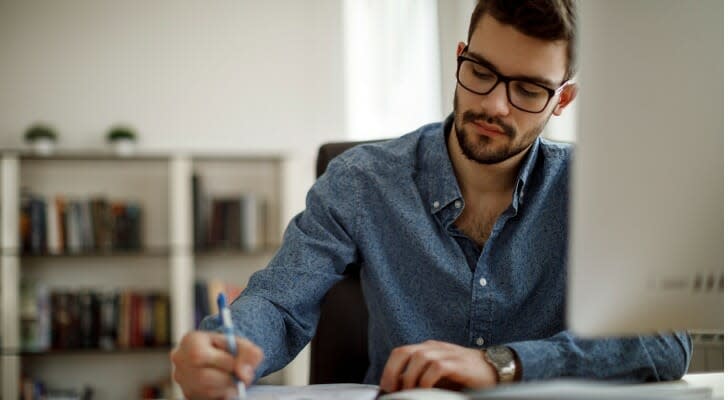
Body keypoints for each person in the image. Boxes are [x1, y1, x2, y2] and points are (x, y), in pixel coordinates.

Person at [171, 0, 692, 398]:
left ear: (563, 99)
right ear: (460, 58)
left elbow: (666, 341)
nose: (494, 105)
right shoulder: (359, 181)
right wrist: (222, 346)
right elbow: (280, 304)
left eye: (529, 90)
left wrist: (500, 363)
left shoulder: (597, 187)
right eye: (482, 73)